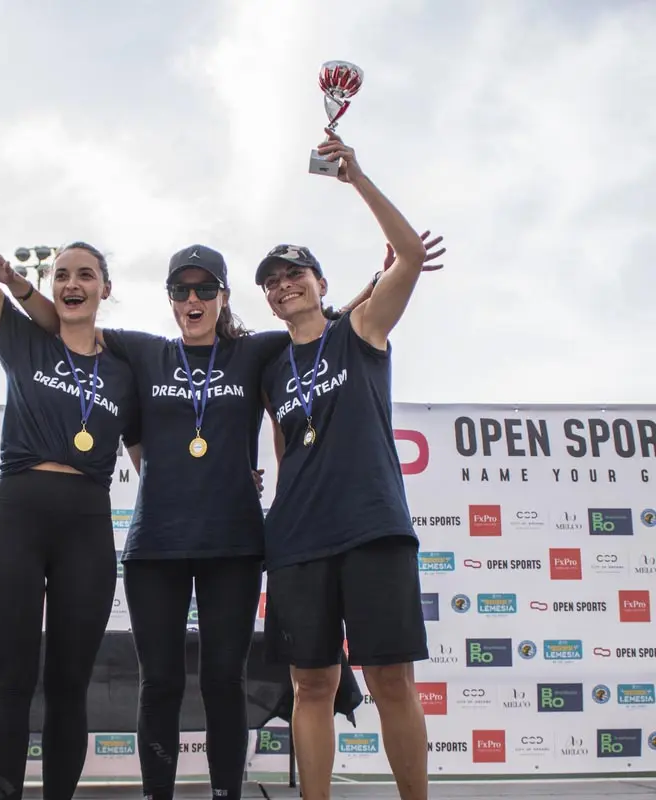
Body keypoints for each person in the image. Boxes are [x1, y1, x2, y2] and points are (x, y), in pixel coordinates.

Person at [0, 235, 444, 800]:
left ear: (223, 296)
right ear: (170, 298)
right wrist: (18, 285)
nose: (192, 299)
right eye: (181, 290)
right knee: (160, 684)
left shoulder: (256, 352)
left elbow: (318, 325)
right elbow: (69, 320)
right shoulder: (142, 351)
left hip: (235, 546)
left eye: (204, 289)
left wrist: (376, 283)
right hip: (156, 547)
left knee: (225, 682)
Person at [0, 111, 140, 800]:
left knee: (70, 684)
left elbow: (151, 456)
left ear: (105, 288)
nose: (73, 282)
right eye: (62, 273)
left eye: (86, 274)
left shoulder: (127, 367)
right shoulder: (24, 340)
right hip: (18, 515)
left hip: (87, 525)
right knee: (11, 679)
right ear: (51, 283)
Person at [256, 129, 433, 800]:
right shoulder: (272, 367)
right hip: (298, 542)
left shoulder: (360, 331)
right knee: (311, 685)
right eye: (272, 283)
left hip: (371, 529)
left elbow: (411, 255)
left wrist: (354, 176)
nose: (283, 286)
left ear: (320, 284)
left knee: (390, 680)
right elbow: (284, 449)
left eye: (294, 275)